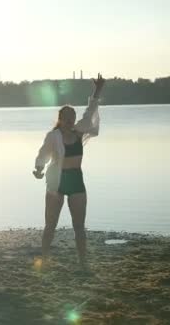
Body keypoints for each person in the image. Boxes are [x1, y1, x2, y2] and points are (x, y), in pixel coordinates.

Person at [33, 73, 105, 270]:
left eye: (72, 118)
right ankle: (45, 259)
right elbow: (42, 155)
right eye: (66, 119)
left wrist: (97, 90)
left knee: (79, 227)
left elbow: (90, 112)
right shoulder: (53, 136)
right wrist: (38, 169)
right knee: (50, 225)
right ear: (60, 119)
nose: (70, 121)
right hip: (57, 181)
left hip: (76, 181)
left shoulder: (79, 131)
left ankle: (82, 262)